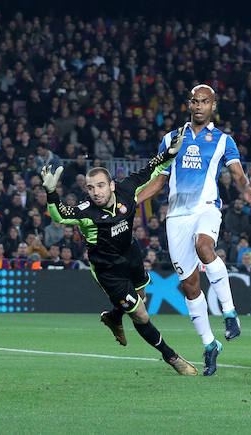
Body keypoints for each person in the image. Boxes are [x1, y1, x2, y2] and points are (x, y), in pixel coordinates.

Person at [41, 128, 198, 376]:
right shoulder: (85, 212)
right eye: (91, 188)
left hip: (131, 255)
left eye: (101, 186)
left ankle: (114, 317)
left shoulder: (127, 189)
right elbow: (59, 214)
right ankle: (172, 357)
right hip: (108, 270)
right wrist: (50, 193)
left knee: (141, 298)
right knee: (141, 315)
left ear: (112, 185)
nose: (96, 192)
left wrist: (169, 152)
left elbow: (152, 168)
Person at [136, 84, 251, 376]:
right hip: (176, 216)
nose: (198, 106)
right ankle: (210, 345)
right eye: (194, 102)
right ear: (189, 104)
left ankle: (230, 313)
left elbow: (238, 175)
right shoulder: (171, 139)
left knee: (204, 246)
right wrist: (133, 200)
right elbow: (160, 180)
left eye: (204, 102)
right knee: (190, 286)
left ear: (213, 106)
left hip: (206, 208)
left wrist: (245, 190)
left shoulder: (222, 140)